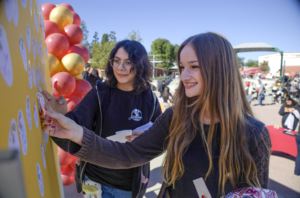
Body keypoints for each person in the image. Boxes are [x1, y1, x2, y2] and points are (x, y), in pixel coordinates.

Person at [42, 33, 271, 198]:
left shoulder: (254, 134)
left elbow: (253, 193)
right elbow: (128, 155)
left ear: (219, 68)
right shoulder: (177, 117)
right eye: (182, 68)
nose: (183, 76)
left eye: (194, 66)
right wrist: (78, 133)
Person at [42, 40, 162, 198]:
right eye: (117, 61)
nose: (120, 67)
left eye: (128, 62)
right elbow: (76, 123)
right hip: (94, 181)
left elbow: (162, 138)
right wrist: (60, 117)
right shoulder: (100, 92)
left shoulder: (150, 100)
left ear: (140, 65)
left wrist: (149, 139)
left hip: (127, 187)